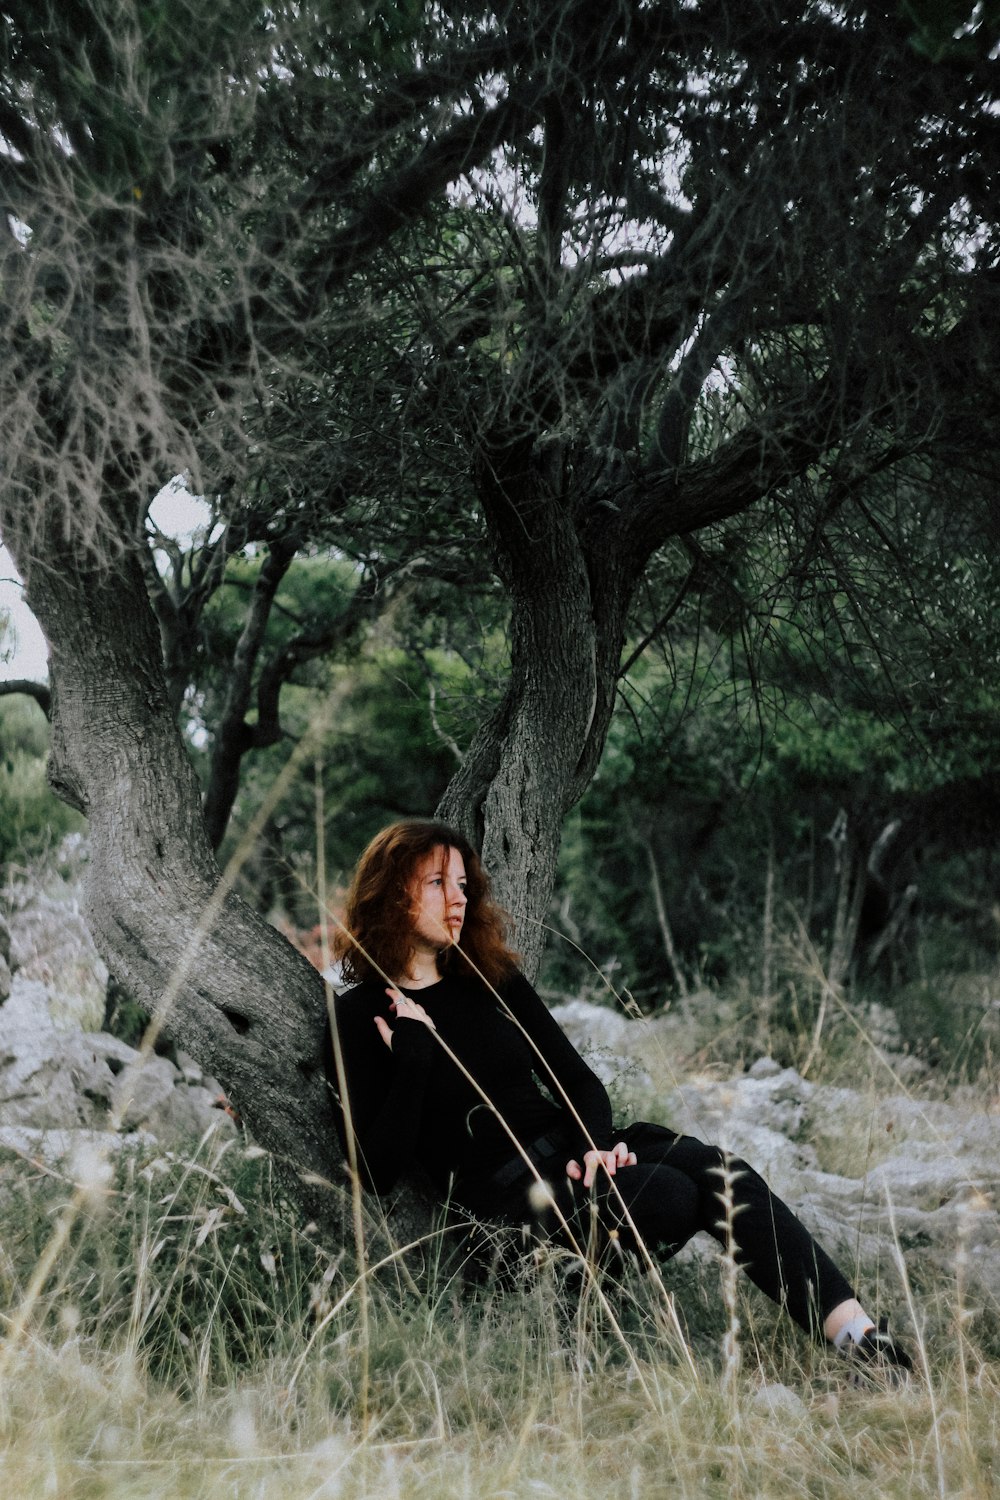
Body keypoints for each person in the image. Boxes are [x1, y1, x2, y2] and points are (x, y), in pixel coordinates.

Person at [324, 818, 912, 1383]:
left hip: (576, 1160)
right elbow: (372, 1171)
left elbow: (576, 1081)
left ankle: (863, 1343)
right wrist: (416, 1056)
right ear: (393, 890)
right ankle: (565, 1324)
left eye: (462, 884)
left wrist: (594, 1148)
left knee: (724, 1174)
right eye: (437, 882)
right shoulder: (359, 1015)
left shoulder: (489, 978)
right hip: (507, 1205)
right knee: (670, 1194)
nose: (458, 898)